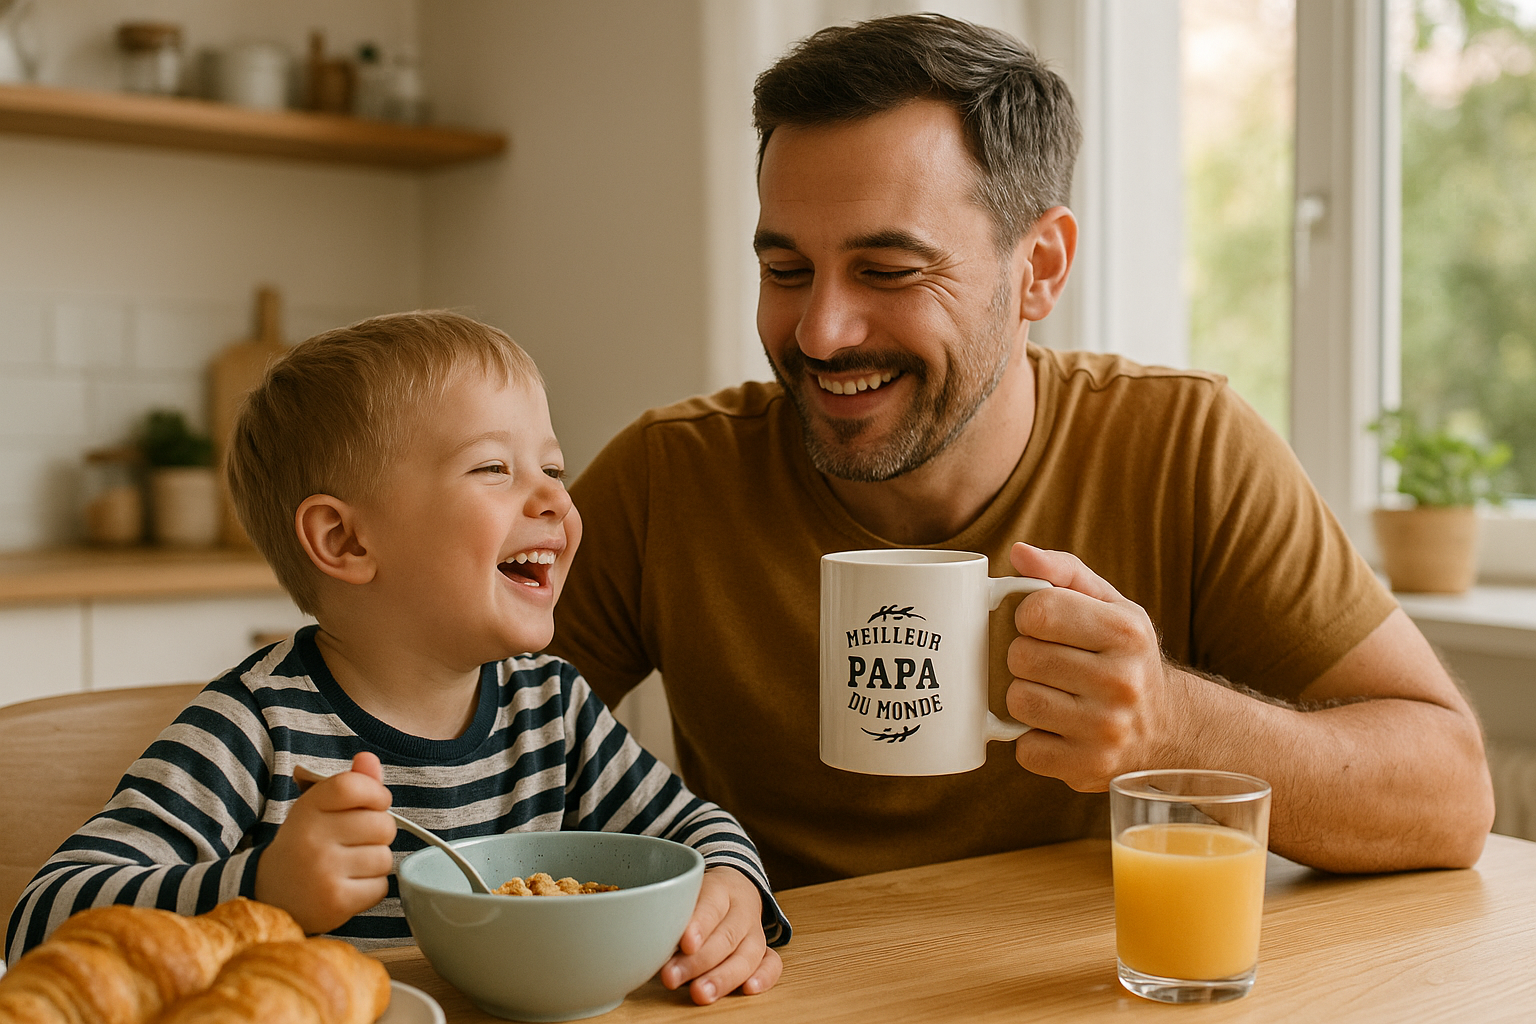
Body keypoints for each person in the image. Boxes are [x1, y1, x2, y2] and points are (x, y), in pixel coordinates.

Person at [547, 13, 1495, 891]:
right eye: (786, 271)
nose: (822, 333)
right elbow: (466, 729)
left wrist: (1170, 722)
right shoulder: (668, 479)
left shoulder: (1183, 448)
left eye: (889, 271)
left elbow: (1451, 797)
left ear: (1038, 268)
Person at [6, 312, 787, 1004]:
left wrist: (731, 889)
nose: (556, 499)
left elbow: (696, 829)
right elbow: (41, 918)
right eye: (494, 469)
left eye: (553, 467)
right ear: (346, 541)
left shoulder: (553, 708)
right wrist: (263, 886)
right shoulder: (256, 727)